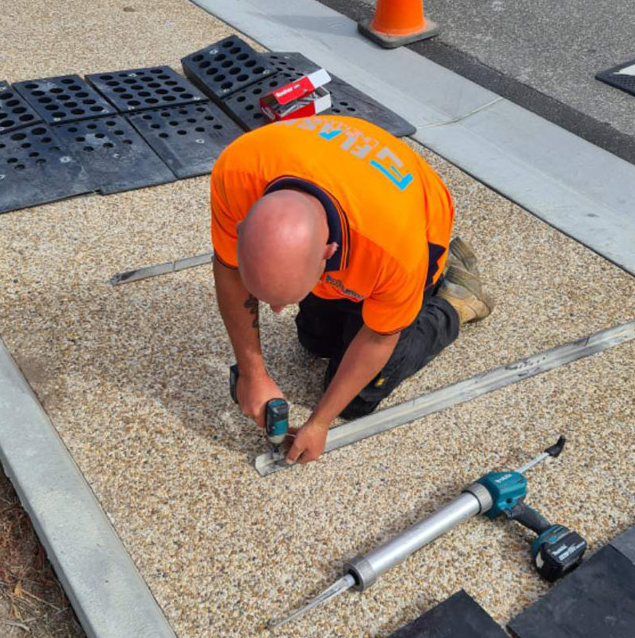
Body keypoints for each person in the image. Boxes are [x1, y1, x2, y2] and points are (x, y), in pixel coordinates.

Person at [210, 114, 495, 465]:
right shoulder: (236, 173)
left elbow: (378, 338)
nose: (277, 311)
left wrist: (320, 422)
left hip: (413, 225)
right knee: (313, 345)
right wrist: (252, 373)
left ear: (328, 254)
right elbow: (227, 268)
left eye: (285, 300)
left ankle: (456, 301)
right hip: (350, 200)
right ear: (242, 225)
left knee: (358, 400)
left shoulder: (393, 251)